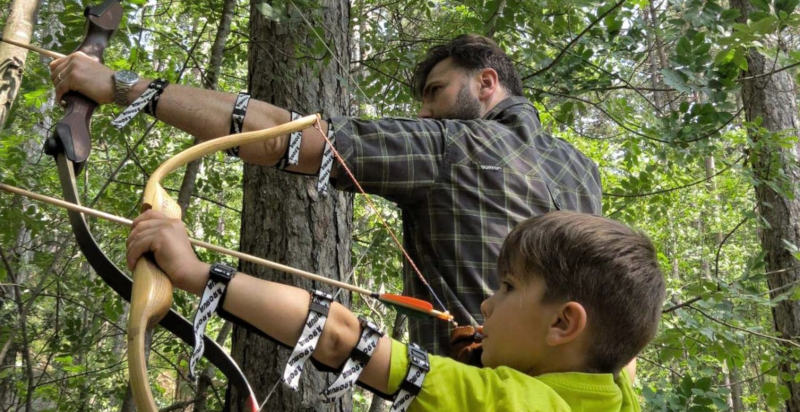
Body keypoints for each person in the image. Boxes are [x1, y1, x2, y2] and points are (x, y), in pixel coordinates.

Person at [51, 34, 603, 355]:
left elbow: (275, 137)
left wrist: (118, 86)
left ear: (487, 83)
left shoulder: (455, 145)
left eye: (436, 92)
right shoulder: (585, 172)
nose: (425, 111)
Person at [126, 210, 665, 411]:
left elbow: (337, 336)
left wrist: (198, 273)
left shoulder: (509, 401)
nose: (487, 302)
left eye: (507, 287)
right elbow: (618, 358)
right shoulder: (618, 394)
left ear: (564, 323)